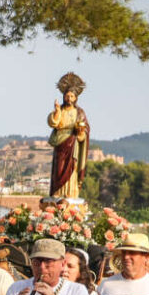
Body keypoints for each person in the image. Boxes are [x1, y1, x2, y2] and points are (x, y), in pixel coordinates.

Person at [47, 72, 90, 200]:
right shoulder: (60, 109)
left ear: (76, 98)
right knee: (59, 169)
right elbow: (53, 122)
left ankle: (71, 192)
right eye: (67, 95)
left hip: (73, 144)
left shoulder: (79, 112)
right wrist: (56, 111)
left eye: (72, 96)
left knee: (72, 168)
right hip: (61, 144)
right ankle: (58, 192)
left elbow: (86, 128)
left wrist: (81, 132)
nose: (69, 98)